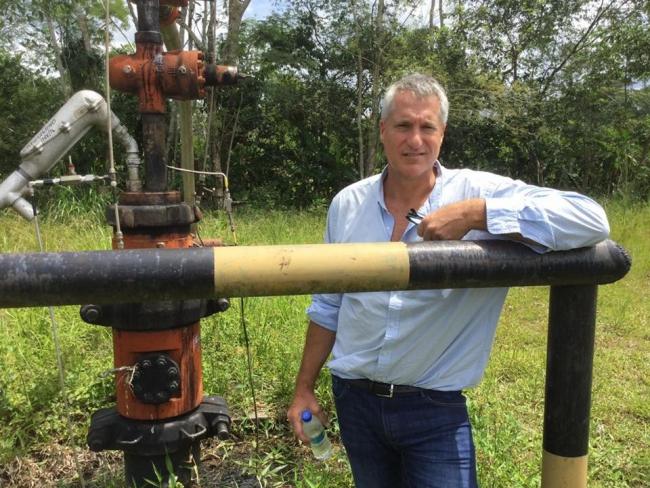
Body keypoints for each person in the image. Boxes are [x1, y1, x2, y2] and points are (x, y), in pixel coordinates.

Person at [287, 73, 609, 487]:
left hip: (434, 409)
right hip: (354, 399)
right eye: (403, 125)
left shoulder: (476, 190)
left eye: (427, 127)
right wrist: (304, 388)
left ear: (442, 134)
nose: (415, 140)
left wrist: (477, 214)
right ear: (383, 130)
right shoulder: (347, 203)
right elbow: (329, 304)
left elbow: (590, 218)